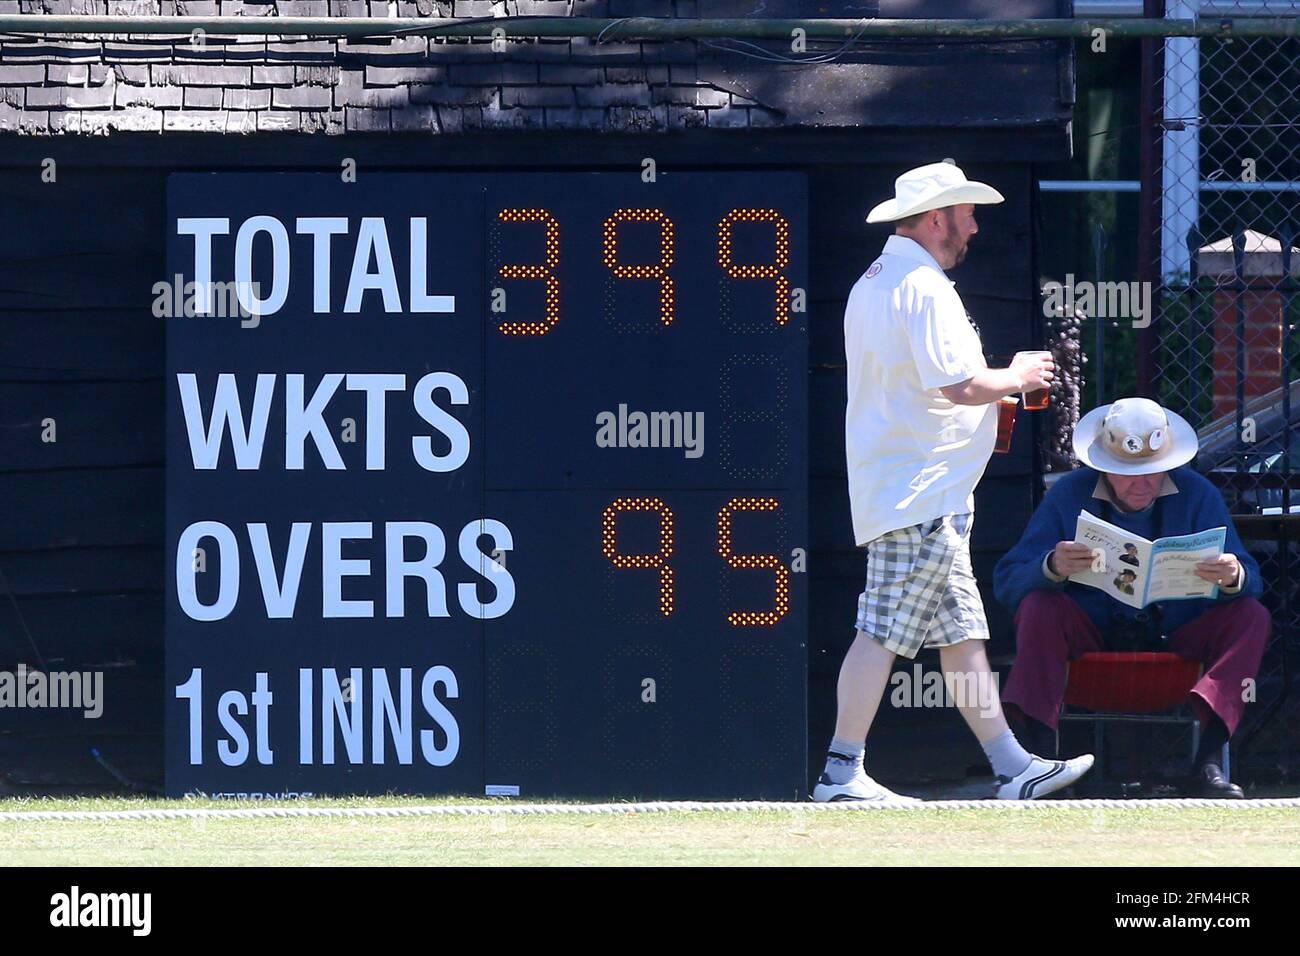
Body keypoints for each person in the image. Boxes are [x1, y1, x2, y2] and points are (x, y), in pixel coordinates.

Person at [814, 161, 1095, 803]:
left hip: (922, 488)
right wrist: (1019, 375)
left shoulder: (879, 280)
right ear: (936, 216)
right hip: (922, 492)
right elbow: (957, 386)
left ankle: (1013, 768)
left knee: (962, 635)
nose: (973, 224)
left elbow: (935, 388)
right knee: (880, 625)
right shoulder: (921, 284)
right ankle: (840, 773)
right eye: (966, 211)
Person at [995, 397, 1270, 798]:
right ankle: (1040, 764)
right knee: (1040, 605)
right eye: (1127, 473)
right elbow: (1007, 581)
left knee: (1251, 616)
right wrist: (1051, 565)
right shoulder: (1070, 494)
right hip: (1090, 639)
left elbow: (1253, 581)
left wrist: (1233, 576)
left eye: (1153, 473)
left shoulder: (1198, 494)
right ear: (1103, 466)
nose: (1141, 483)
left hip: (1178, 638)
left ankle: (1207, 764)